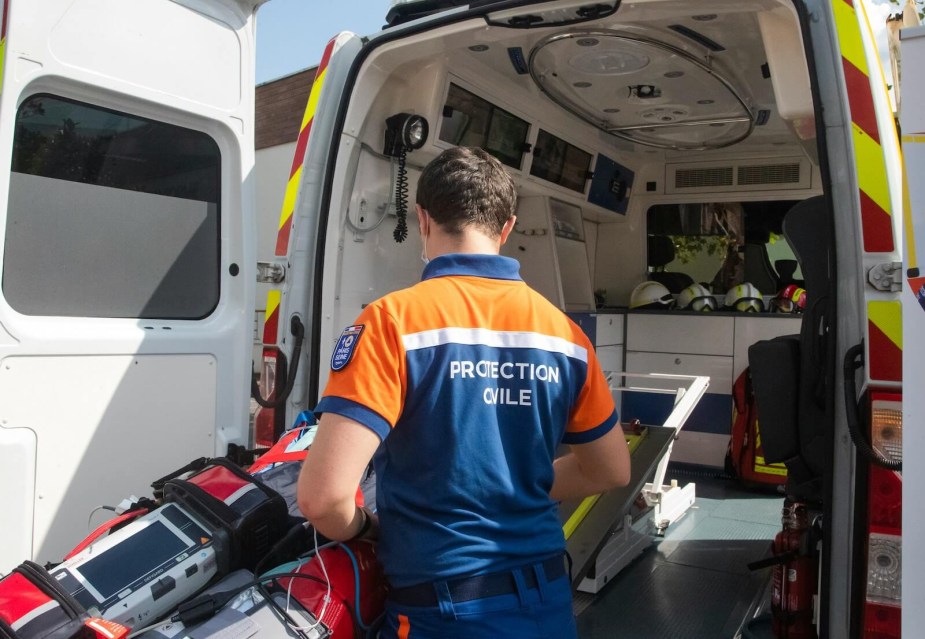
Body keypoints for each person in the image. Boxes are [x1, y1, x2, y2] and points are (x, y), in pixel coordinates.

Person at [297, 146, 631, 638]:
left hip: (443, 610)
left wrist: (369, 527)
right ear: (508, 226)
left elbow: (323, 501)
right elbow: (610, 469)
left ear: (423, 218)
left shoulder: (393, 322)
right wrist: (515, 487)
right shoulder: (564, 336)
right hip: (547, 605)